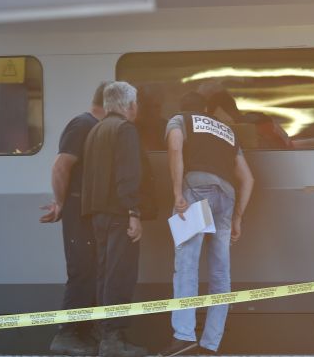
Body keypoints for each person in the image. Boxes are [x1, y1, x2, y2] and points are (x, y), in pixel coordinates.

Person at [160, 91, 255, 356]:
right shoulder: (227, 132)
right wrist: (237, 217)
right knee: (220, 275)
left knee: (187, 266)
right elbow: (248, 179)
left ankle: (184, 337)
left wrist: (178, 192)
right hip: (226, 198)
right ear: (205, 108)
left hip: (196, 191)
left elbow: (175, 147)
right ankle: (211, 344)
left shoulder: (180, 120)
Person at [40, 82, 108, 355]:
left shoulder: (94, 126)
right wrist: (61, 203)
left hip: (85, 209)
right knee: (81, 270)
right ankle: (66, 335)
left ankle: (83, 332)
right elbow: (61, 165)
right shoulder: (82, 125)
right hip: (77, 209)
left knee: (91, 270)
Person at [81, 81, 148, 357]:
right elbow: (127, 174)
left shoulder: (96, 130)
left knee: (104, 273)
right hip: (120, 213)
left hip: (98, 214)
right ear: (129, 105)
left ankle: (103, 336)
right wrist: (133, 212)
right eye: (136, 104)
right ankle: (114, 340)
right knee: (120, 275)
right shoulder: (124, 129)